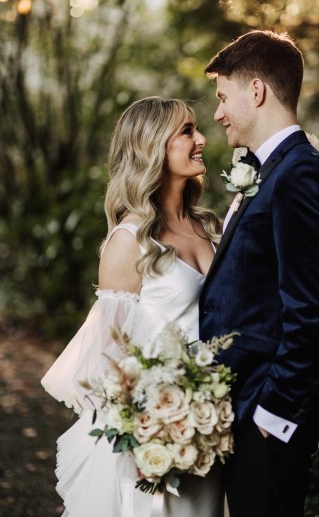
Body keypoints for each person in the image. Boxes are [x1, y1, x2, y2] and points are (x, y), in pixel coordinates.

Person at [41, 97, 224, 517]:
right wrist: (145, 440)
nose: (201, 139)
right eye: (187, 131)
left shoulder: (210, 227)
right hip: (154, 434)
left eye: (196, 128)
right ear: (151, 146)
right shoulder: (130, 241)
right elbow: (113, 360)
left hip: (210, 420)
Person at [199, 30, 319, 517]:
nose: (218, 113)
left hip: (268, 421)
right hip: (243, 413)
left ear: (257, 90)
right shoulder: (273, 171)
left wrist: (272, 413)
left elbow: (313, 312)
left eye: (223, 97)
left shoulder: (302, 174)